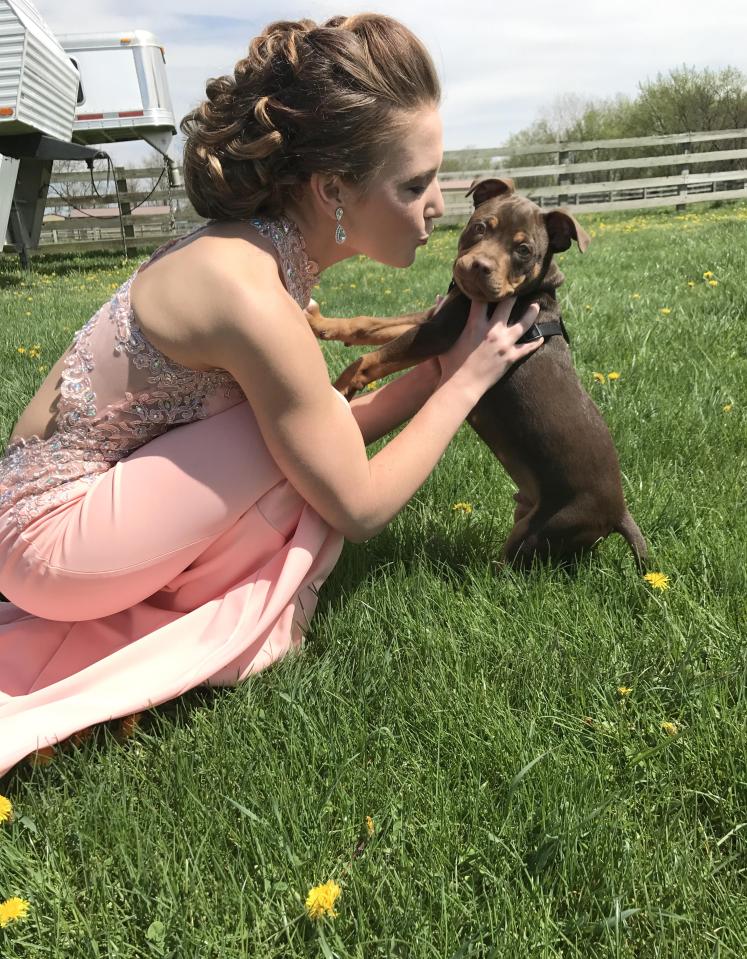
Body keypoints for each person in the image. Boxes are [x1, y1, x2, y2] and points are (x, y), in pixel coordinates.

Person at [0, 14, 542, 776]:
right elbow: (357, 503)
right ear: (331, 190)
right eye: (414, 183)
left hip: (65, 520)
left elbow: (326, 431)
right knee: (295, 454)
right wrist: (470, 380)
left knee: (300, 438)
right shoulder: (251, 295)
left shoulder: (258, 255)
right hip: (46, 548)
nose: (439, 205)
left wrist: (438, 366)